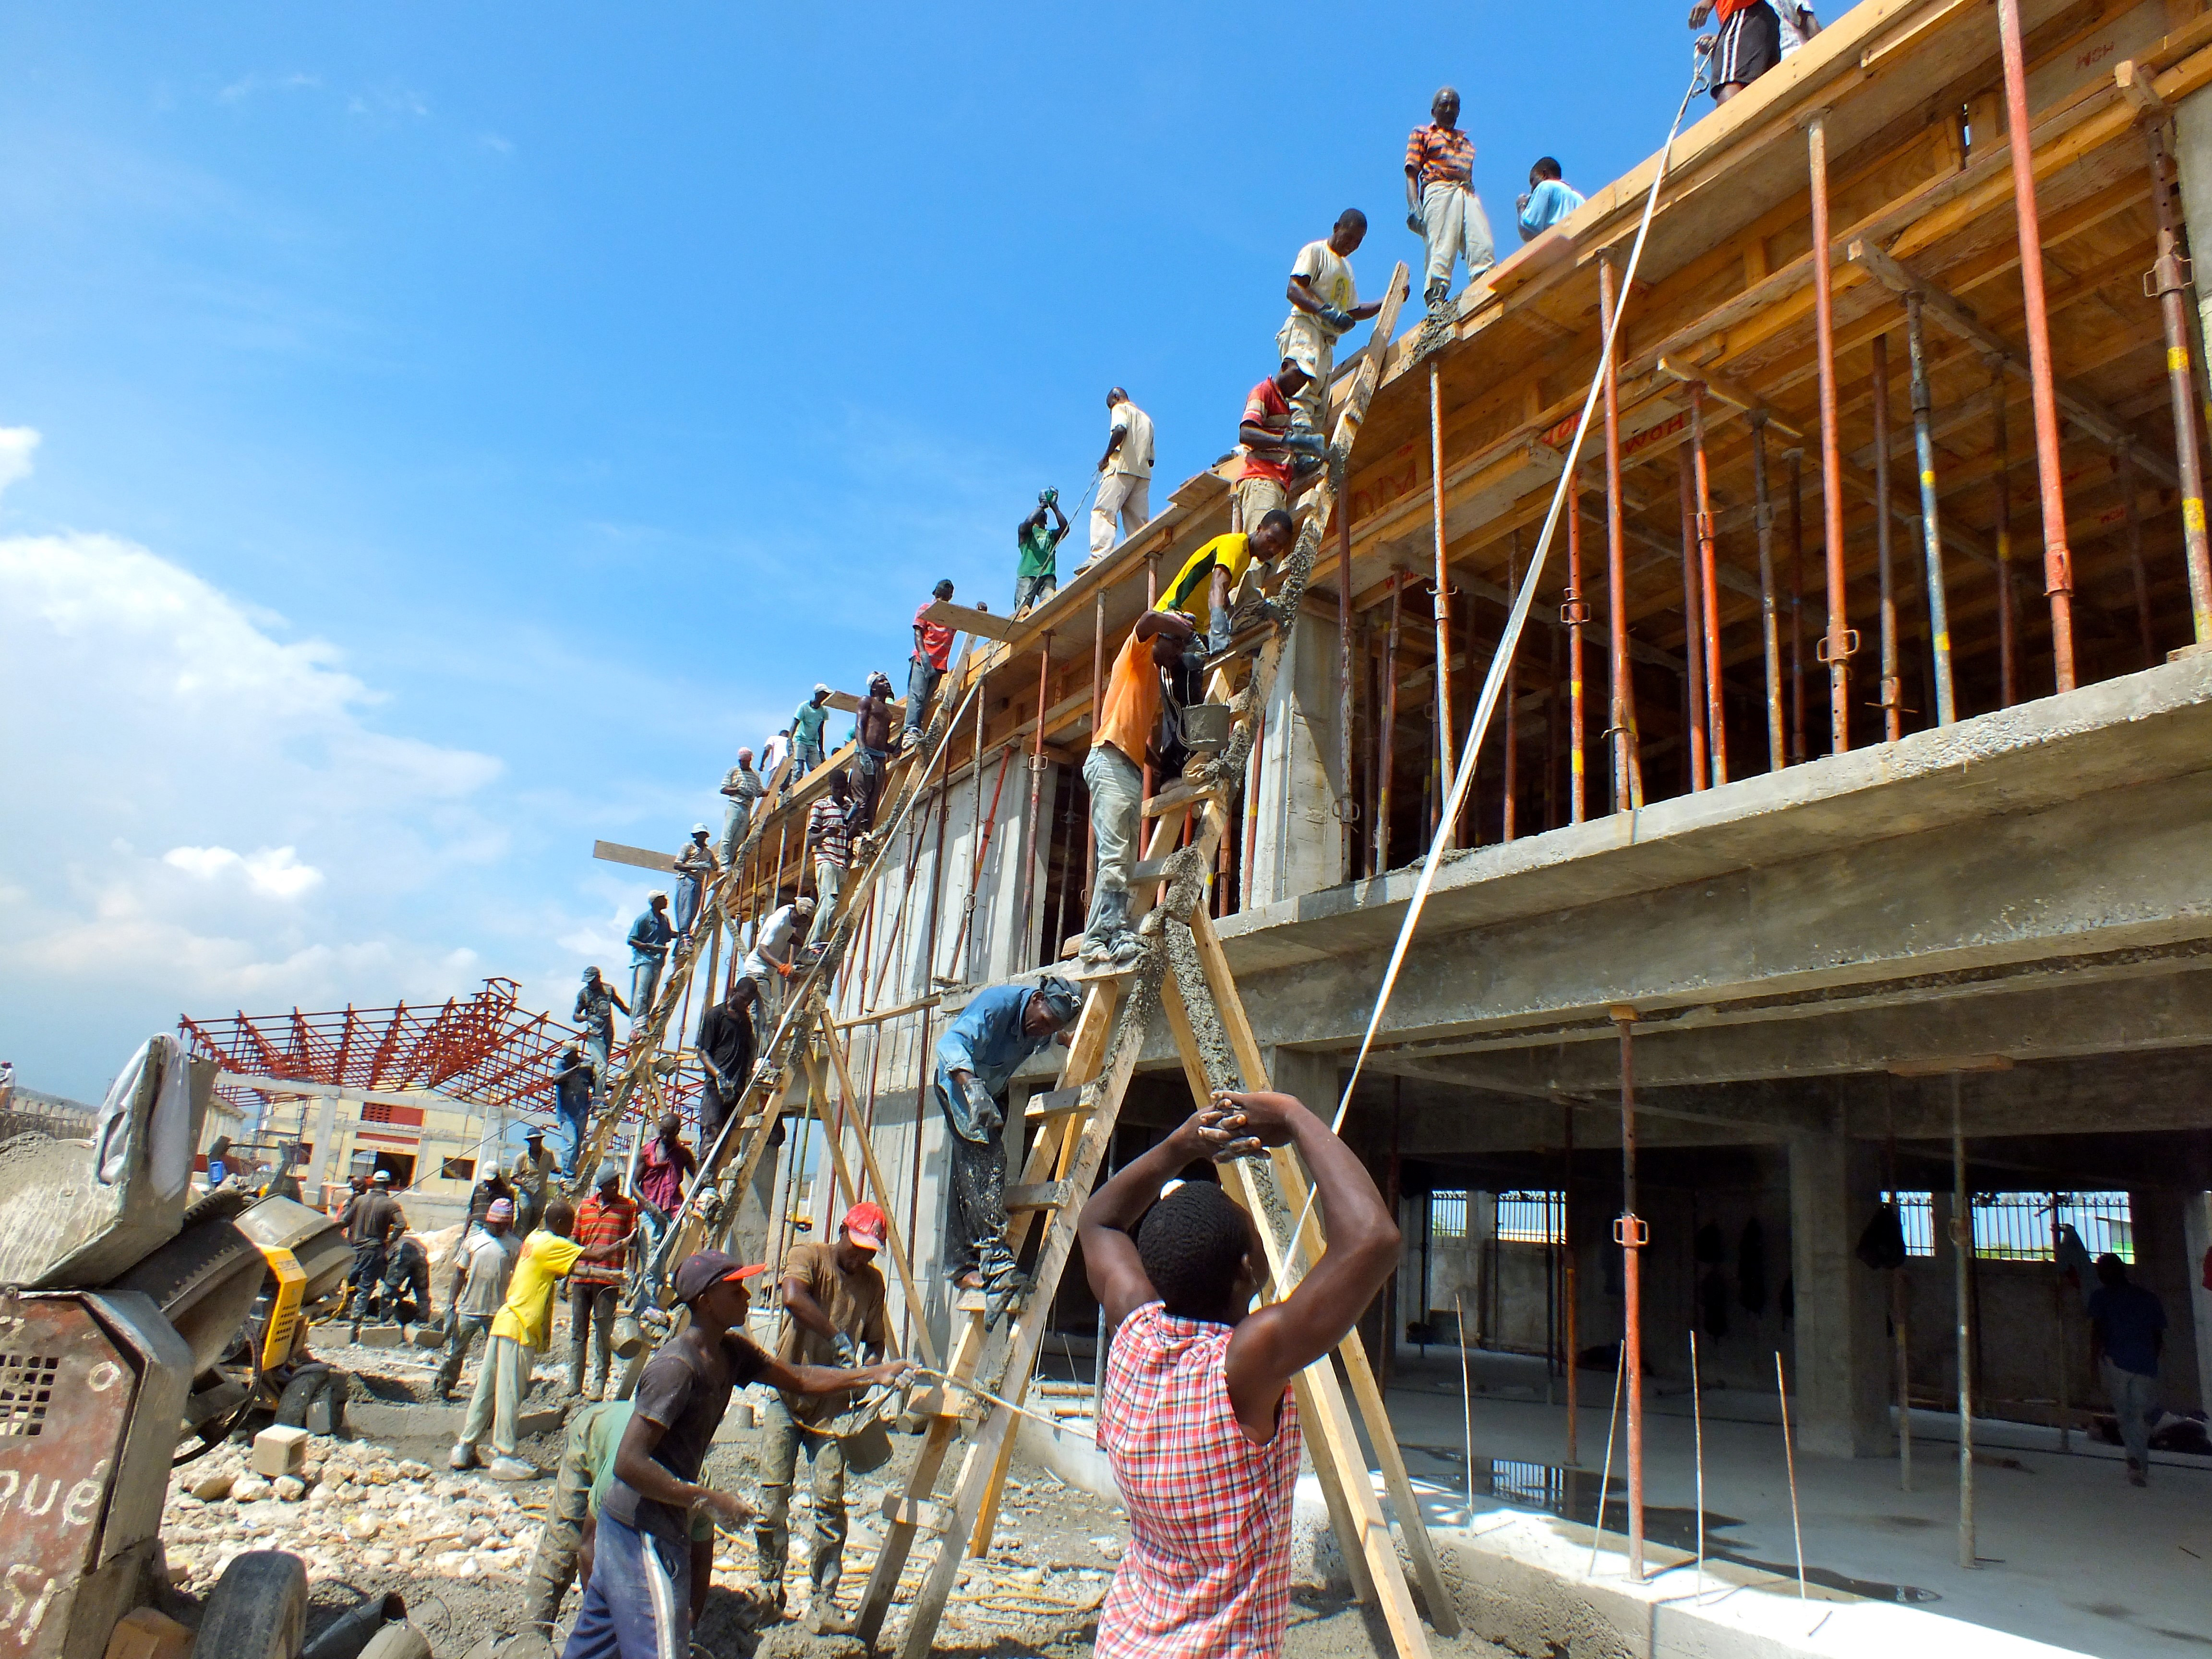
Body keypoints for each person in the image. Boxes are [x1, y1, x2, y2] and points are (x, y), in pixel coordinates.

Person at [1079, 1091, 1400, 1658]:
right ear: (1247, 1269)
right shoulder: (1244, 1367)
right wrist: (1297, 1117)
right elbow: (1373, 1239)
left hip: (1127, 1639)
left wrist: (1180, 1146)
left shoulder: (1133, 1329)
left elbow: (1099, 1220)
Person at [559, 1250, 912, 1659]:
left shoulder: (731, 1352)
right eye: (736, 1289)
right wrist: (708, 1500)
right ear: (706, 1300)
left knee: (594, 1648)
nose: (747, 1296)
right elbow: (628, 1462)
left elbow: (798, 1377)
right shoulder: (676, 1367)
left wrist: (872, 1373)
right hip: (641, 1531)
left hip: (654, 1523)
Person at [757, 1202, 892, 1627]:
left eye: (870, 1251)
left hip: (832, 1409)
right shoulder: (808, 1256)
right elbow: (794, 1298)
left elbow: (875, 1343)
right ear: (841, 1233)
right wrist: (835, 1336)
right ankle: (768, 1587)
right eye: (857, 1248)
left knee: (830, 1507)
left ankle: (824, 1599)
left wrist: (868, 1374)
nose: (862, 1257)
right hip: (788, 1392)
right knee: (772, 1499)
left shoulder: (873, 1283)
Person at [932, 975, 1083, 1315]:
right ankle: (994, 1260)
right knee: (989, 1162)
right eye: (1044, 1022)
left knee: (969, 1173)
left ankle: (960, 1265)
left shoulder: (1041, 1024)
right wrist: (972, 1089)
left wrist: (1064, 1038)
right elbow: (950, 1045)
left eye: (1051, 1028)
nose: (1042, 1031)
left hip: (994, 1088)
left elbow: (1049, 1032)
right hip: (961, 1087)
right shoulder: (996, 1006)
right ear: (1037, 999)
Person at [453, 1197, 627, 1479]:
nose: (573, 1231)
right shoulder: (553, 1244)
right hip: (520, 1328)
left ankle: (464, 1446)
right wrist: (621, 1245)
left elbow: (575, 1268)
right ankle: (505, 1455)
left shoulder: (535, 1238)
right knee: (510, 1393)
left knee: (486, 1390)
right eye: (570, 1225)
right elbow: (592, 1256)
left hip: (504, 1322)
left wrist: (611, 1276)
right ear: (560, 1223)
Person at [1082, 609, 1198, 964]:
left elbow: (1134, 731)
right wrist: (1186, 629)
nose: (1178, 651)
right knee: (1115, 857)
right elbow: (1147, 618)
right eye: (1175, 643)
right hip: (1110, 761)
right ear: (1162, 638)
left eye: (1182, 646)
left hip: (1129, 767)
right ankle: (1102, 938)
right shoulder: (1137, 654)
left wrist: (1157, 762)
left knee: (1124, 861)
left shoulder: (1150, 680)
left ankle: (1108, 935)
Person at [1277, 210, 1387, 431]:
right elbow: (1294, 289)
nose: (1351, 245)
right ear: (1337, 228)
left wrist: (1386, 302)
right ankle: (1286, 419)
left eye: (1358, 242)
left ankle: (1305, 444)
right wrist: (1323, 311)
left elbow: (1352, 310)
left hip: (1327, 340)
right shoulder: (1316, 252)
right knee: (1302, 375)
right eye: (1349, 237)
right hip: (1306, 326)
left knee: (1319, 398)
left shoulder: (1347, 269)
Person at [1158, 512, 1297, 660]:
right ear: (1259, 529)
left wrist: (1238, 635)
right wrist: (1219, 631)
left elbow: (1223, 598)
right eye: (1270, 540)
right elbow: (1217, 587)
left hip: (1191, 627)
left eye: (1279, 547)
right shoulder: (1235, 545)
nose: (1273, 550)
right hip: (1171, 616)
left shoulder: (1245, 559)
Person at [1405, 88, 1495, 312]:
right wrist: (1414, 207)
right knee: (1442, 244)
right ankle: (1436, 296)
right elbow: (1411, 174)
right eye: (1444, 105)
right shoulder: (1422, 134)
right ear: (1433, 111)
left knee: (1481, 241)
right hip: (1438, 189)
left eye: (1454, 106)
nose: (1449, 109)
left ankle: (1484, 282)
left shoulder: (1467, 144)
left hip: (1466, 191)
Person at [2088, 1252, 2167, 1487]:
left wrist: (2093, 1363)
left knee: (2127, 1415)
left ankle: (2135, 1460)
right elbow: (2158, 1336)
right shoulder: (2148, 1298)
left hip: (2117, 1363)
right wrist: (2152, 1358)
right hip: (2144, 1364)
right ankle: (2138, 1461)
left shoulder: (2101, 1297)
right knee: (2139, 1415)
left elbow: (2097, 1333)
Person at [437, 1198, 519, 1400]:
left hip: (498, 1311)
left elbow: (518, 1277)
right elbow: (459, 1274)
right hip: (469, 1308)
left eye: (503, 1225)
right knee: (456, 1351)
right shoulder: (473, 1241)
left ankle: (490, 1394)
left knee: (496, 1357)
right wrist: (451, 1305)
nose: (499, 1228)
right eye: (496, 1224)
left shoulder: (515, 1246)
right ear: (489, 1221)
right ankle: (444, 1384)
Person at [570, 1165, 638, 1400]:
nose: (617, 1187)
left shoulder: (628, 1207)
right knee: (578, 1333)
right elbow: (574, 1242)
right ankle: (574, 1384)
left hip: (609, 1281)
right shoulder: (585, 1208)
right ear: (603, 1187)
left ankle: (599, 1384)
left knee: (603, 1333)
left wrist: (632, 1271)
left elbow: (632, 1243)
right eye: (613, 1184)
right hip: (582, 1279)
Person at [1234, 360, 1320, 534]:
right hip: (1262, 479)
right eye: (1298, 375)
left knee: (1270, 555)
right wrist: (1287, 440)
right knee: (1262, 548)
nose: (1300, 384)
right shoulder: (1264, 391)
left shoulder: (1285, 407)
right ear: (1285, 366)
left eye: (1304, 381)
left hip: (1276, 485)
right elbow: (1246, 434)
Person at [1088, 388, 1154, 566]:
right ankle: (1143, 557)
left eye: (1111, 405)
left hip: (1121, 469)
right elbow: (1151, 460)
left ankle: (1099, 557)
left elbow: (1120, 429)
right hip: (1142, 475)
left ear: (1116, 398)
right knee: (1138, 522)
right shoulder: (1147, 420)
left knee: (1103, 512)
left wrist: (1106, 457)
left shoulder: (1121, 409)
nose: (1111, 409)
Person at [696, 978, 761, 1147]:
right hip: (715, 1088)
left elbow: (749, 1051)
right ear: (733, 993)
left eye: (748, 1002)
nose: (745, 1004)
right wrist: (719, 1076)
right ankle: (707, 1172)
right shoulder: (715, 1016)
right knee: (712, 1132)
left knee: (729, 1140)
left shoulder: (745, 1022)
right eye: (743, 999)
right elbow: (703, 1052)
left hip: (736, 1088)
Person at [344, 1169, 407, 1330]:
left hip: (355, 1249)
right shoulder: (391, 1205)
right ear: (388, 1186)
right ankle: (356, 1319)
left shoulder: (360, 1201)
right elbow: (401, 1224)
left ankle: (341, 1312)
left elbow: (345, 1221)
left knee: (350, 1281)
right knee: (366, 1285)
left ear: (373, 1183)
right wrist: (390, 1240)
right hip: (374, 1250)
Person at [742, 895, 816, 1026]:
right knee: (766, 1013)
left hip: (768, 971)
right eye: (799, 921)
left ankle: (757, 1040)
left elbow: (787, 935)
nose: (799, 925)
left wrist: (805, 946)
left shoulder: (790, 912)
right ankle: (761, 1045)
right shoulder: (780, 921)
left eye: (803, 922)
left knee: (762, 1012)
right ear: (796, 912)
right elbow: (762, 950)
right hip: (758, 969)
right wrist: (782, 967)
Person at [1691, 0, 1785, 103]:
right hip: (1756, 17)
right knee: (1760, 93)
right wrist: (1721, 39)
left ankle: (1730, 117)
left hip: (1744, 11)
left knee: (1730, 85)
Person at [636, 1113, 697, 1259]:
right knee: (651, 1254)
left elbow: (698, 1176)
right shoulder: (647, 1152)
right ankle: (651, 1282)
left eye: (669, 1133)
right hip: (650, 1211)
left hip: (673, 1210)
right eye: (662, 1132)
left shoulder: (683, 1154)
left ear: (677, 1132)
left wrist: (697, 1196)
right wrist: (647, 1204)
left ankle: (656, 1281)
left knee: (663, 1254)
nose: (664, 1136)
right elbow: (634, 1184)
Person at [805, 774, 854, 947]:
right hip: (826, 858)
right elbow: (811, 838)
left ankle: (820, 941)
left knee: (835, 906)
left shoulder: (849, 807)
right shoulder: (821, 806)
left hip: (843, 862)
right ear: (831, 787)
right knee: (829, 900)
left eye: (842, 788)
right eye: (836, 789)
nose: (839, 792)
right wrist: (826, 834)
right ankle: (813, 942)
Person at [909, 581, 956, 738]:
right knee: (918, 695)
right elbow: (917, 632)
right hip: (923, 660)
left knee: (927, 698)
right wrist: (923, 654)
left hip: (939, 664)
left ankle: (917, 728)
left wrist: (980, 612)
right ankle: (911, 728)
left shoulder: (951, 617)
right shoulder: (926, 609)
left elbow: (970, 622)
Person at [850, 673, 896, 830]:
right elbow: (860, 727)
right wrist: (863, 751)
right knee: (861, 802)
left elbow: (883, 740)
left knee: (873, 802)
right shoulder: (866, 701)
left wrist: (895, 748)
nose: (886, 683)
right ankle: (849, 835)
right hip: (866, 755)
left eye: (887, 681)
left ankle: (866, 836)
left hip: (879, 758)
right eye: (882, 681)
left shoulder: (888, 713)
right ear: (874, 687)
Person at [1015, 490, 1070, 617]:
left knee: (1049, 608)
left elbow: (1065, 528)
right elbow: (1028, 523)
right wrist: (1042, 506)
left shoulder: (1050, 536)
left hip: (1047, 576)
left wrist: (1055, 508)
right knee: (1022, 612)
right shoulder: (1026, 532)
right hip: (1028, 575)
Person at [576, 968, 628, 1099]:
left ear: (599, 978)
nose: (590, 984)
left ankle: (597, 1085)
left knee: (603, 1064)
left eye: (592, 981)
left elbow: (621, 1006)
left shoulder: (608, 990)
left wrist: (633, 1015)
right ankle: (598, 1098)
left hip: (608, 1033)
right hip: (594, 1035)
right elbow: (576, 1016)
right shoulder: (584, 994)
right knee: (602, 1066)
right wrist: (588, 1018)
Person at [626, 894, 675, 1026]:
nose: (666, 901)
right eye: (663, 899)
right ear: (655, 902)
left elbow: (668, 934)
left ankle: (644, 1020)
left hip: (658, 961)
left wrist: (682, 934)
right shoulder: (644, 919)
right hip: (645, 960)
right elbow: (631, 939)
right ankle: (637, 1022)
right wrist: (649, 947)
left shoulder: (664, 920)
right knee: (641, 992)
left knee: (651, 993)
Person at [1516, 157, 1586, 242]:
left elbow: (1527, 232)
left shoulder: (1545, 187)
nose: (1532, 190)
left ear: (1544, 174)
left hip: (1556, 246)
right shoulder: (1579, 198)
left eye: (1533, 181)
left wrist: (1521, 206)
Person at [553, 1046, 596, 1179]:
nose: (565, 1057)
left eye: (568, 1055)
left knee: (577, 1147)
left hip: (581, 1112)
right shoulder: (562, 1065)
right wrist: (576, 1069)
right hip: (566, 1114)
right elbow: (557, 1079)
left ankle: (573, 1172)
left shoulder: (586, 1067)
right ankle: (568, 1176)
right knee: (570, 1144)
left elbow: (593, 1083)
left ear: (575, 1054)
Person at [718, 748, 767, 866]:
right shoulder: (733, 771)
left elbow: (760, 791)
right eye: (741, 761)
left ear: (750, 760)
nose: (743, 763)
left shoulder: (755, 775)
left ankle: (732, 862)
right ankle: (724, 863)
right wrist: (739, 790)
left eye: (745, 761)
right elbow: (724, 789)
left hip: (747, 808)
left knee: (739, 838)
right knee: (728, 835)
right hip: (735, 805)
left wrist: (773, 792)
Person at [671, 827, 717, 948]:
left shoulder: (708, 853)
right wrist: (696, 866)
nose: (701, 837)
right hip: (687, 879)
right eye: (699, 835)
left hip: (699, 881)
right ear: (695, 836)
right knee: (686, 907)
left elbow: (715, 866)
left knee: (694, 909)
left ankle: (684, 937)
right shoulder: (688, 847)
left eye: (703, 835)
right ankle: (684, 934)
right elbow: (677, 864)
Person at [379, 1232, 435, 1329]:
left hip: (402, 1255)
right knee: (422, 1291)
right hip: (422, 1257)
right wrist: (407, 1289)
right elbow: (415, 1276)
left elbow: (387, 1275)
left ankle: (386, 1320)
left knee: (388, 1292)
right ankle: (423, 1320)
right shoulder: (411, 1242)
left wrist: (395, 1289)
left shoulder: (388, 1247)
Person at [511, 1129, 558, 1234]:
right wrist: (524, 1183)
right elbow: (513, 1177)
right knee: (524, 1219)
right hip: (526, 1194)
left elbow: (553, 1169)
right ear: (529, 1142)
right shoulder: (522, 1157)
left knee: (536, 1221)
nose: (536, 1143)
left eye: (538, 1140)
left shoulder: (548, 1154)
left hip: (541, 1194)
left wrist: (566, 1172)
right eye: (533, 1141)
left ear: (541, 1140)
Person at [791, 685, 833, 778]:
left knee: (817, 770)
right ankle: (795, 789)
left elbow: (821, 731)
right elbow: (795, 723)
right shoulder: (804, 707)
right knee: (799, 768)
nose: (826, 697)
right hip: (800, 740)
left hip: (813, 742)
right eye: (824, 694)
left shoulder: (824, 711)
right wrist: (790, 740)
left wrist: (821, 750)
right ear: (818, 694)